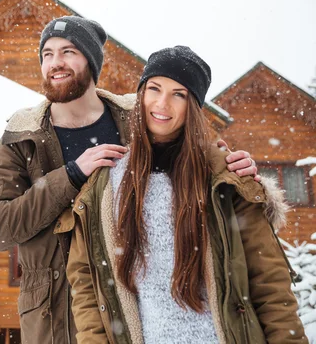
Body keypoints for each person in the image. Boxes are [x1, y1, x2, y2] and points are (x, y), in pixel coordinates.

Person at [0, 17, 258, 344]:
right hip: (55, 320)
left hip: (134, 311)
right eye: (48, 54)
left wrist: (227, 165)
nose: (56, 63)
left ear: (92, 62)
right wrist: (70, 176)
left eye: (68, 52)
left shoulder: (136, 119)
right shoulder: (21, 137)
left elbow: (190, 155)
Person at [63, 45, 306, 343]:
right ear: (141, 95)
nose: (162, 104)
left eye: (179, 94)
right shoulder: (107, 182)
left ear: (193, 106)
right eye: (154, 89)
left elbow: (270, 284)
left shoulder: (225, 180)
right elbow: (86, 284)